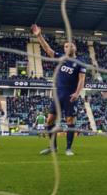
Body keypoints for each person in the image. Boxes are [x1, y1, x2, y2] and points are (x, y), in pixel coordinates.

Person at [31, 24, 86, 156]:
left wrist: (77, 93)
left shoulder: (80, 62)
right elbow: (47, 49)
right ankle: (53, 147)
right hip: (58, 94)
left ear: (75, 48)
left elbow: (82, 79)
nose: (68, 47)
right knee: (50, 120)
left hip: (70, 95)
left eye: (70, 45)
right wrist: (39, 36)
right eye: (66, 46)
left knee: (70, 122)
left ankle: (68, 148)